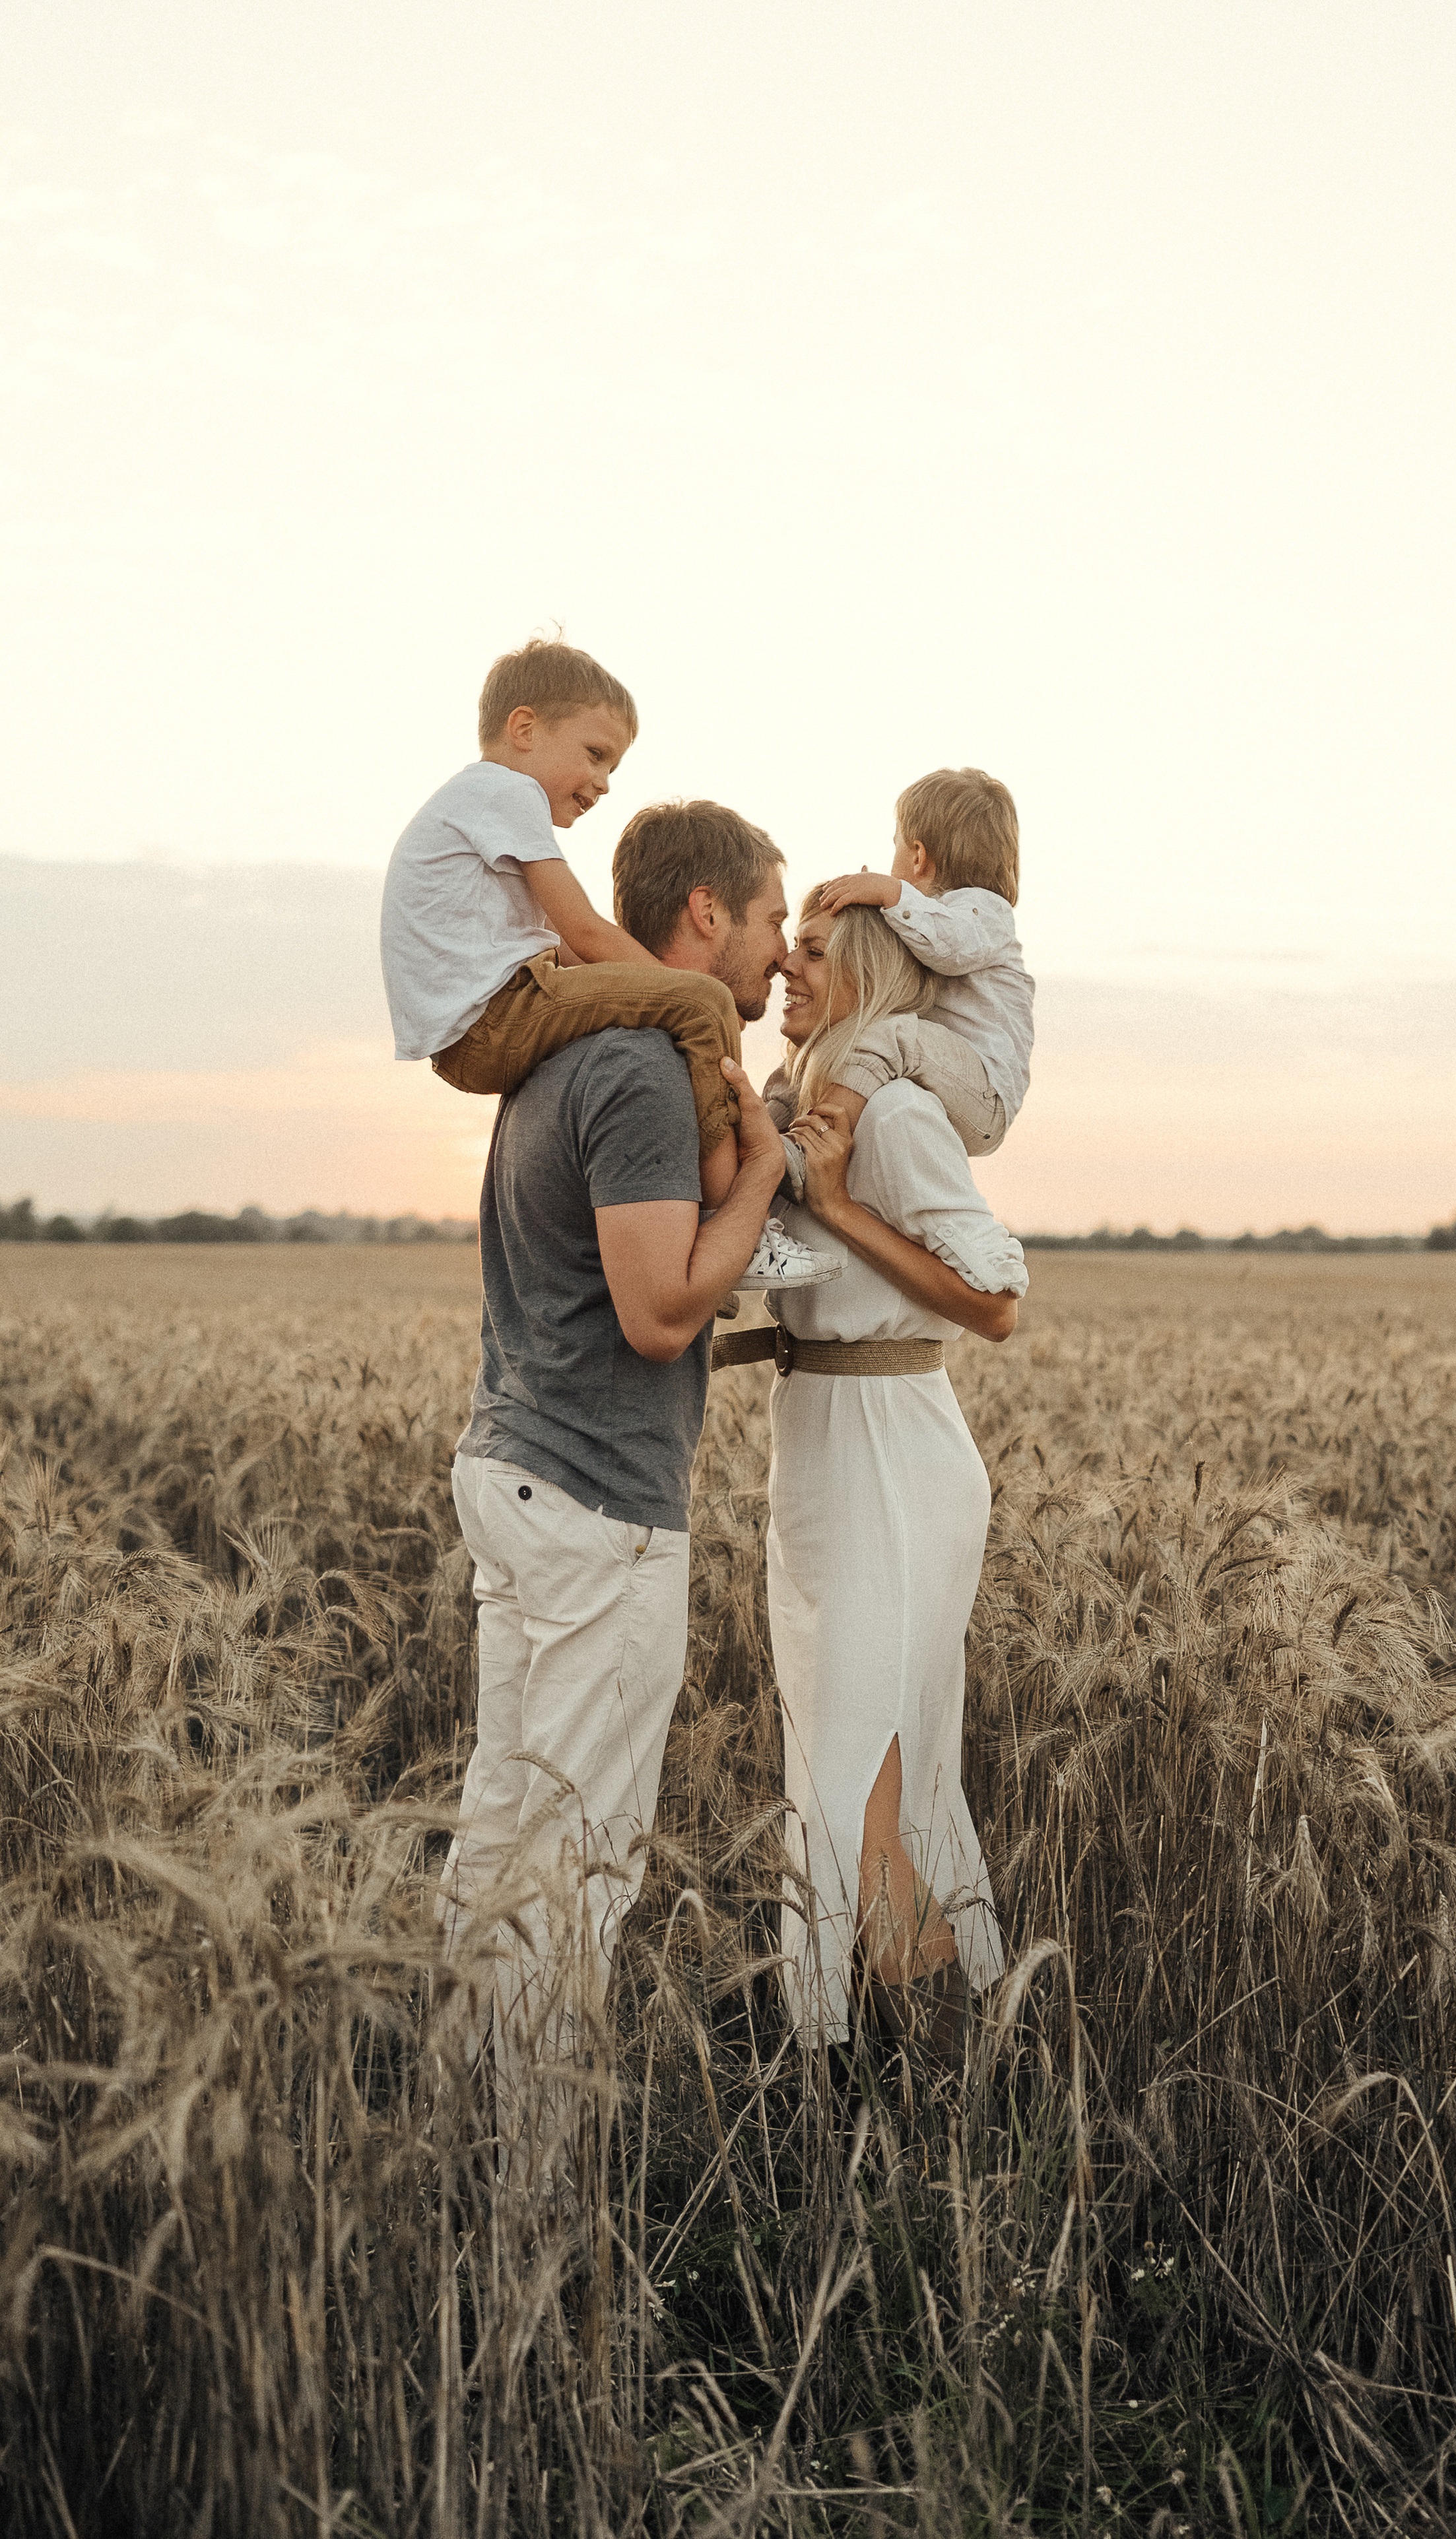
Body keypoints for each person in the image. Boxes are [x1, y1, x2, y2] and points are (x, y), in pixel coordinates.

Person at [436, 798, 792, 2191]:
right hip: (592, 1504)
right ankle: (531, 2200)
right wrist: (759, 1177)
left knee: (503, 1835)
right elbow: (656, 1311)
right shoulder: (644, 1062)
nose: (773, 961)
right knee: (579, 1868)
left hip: (516, 1472)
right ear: (702, 916)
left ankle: (455, 2156)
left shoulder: (562, 1048)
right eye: (767, 923)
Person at [717, 889, 1028, 2066]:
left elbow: (994, 1300)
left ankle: (948, 2078)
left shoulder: (894, 1113)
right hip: (821, 1430)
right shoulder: (809, 1103)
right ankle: (880, 2061)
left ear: (870, 970)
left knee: (879, 1765)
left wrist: (837, 1202)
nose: (787, 970)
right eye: (781, 950)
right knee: (836, 1754)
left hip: (890, 1444)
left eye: (812, 952)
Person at [380, 634, 828, 1288]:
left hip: (476, 1027)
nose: (604, 783)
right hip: (491, 1020)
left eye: (613, 767)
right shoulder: (506, 794)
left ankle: (699, 1211)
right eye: (594, 755)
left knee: (676, 1004)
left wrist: (643, 988)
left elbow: (566, 946)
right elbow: (586, 933)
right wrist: (677, 992)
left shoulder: (475, 810)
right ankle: (739, 1222)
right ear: (524, 728)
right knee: (701, 1003)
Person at [768, 766, 1034, 1200]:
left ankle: (812, 1143)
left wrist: (890, 894)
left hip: (985, 1093)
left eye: (894, 845)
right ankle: (768, 1123)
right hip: (941, 1070)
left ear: (917, 856)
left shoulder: (984, 913)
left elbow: (950, 946)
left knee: (889, 1034)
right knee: (837, 1036)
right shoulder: (925, 921)